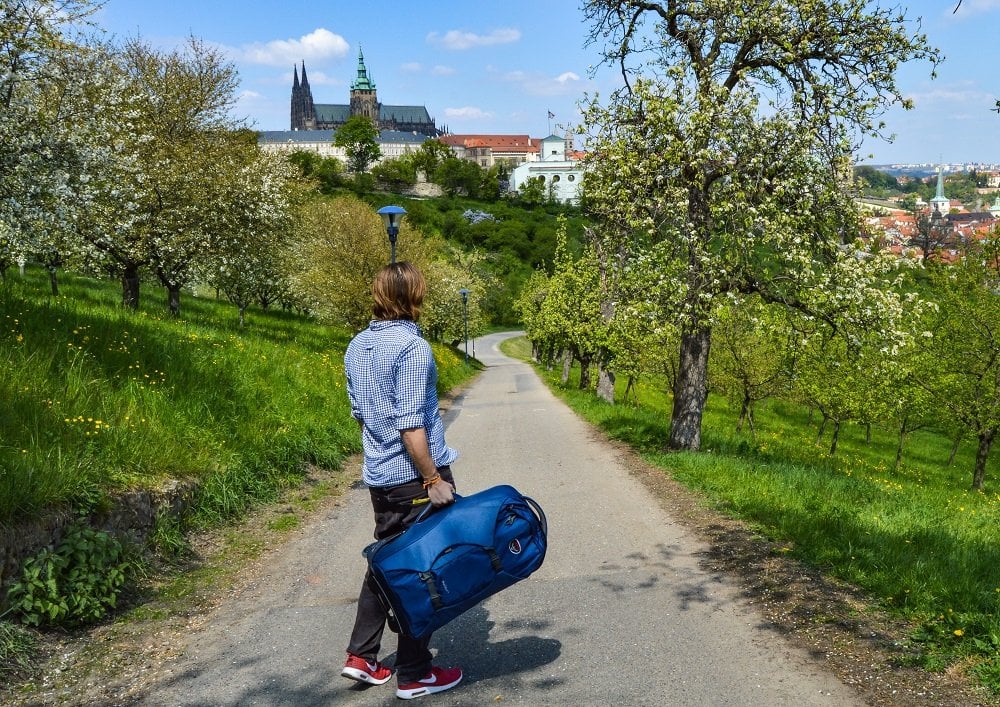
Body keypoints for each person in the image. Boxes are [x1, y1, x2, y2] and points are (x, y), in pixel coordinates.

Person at [340, 261, 464, 700]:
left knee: (386, 562)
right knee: (424, 570)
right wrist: (433, 478)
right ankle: (414, 672)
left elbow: (360, 412)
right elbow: (411, 424)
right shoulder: (413, 349)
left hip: (380, 476)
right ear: (413, 296)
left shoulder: (356, 347)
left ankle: (362, 657)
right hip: (415, 477)